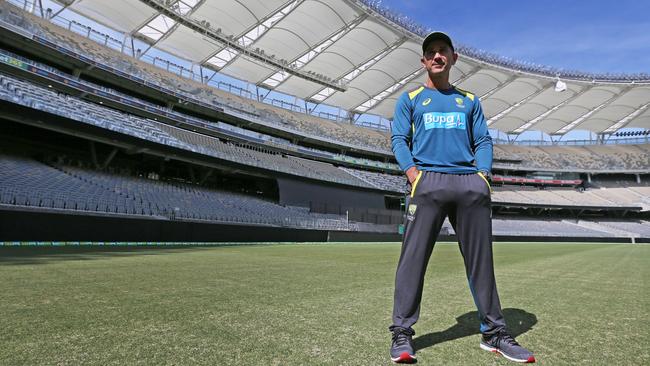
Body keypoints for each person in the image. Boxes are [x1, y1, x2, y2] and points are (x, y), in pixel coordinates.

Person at [388, 32, 535, 364]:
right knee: (412, 262)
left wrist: (482, 176)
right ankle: (402, 333)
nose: (437, 56)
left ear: (454, 58)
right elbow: (399, 139)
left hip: (468, 183)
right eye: (431, 53)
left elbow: (483, 140)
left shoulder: (469, 100)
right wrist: (414, 174)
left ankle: (494, 333)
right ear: (424, 61)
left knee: (481, 264)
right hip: (427, 182)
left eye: (443, 51)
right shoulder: (410, 98)